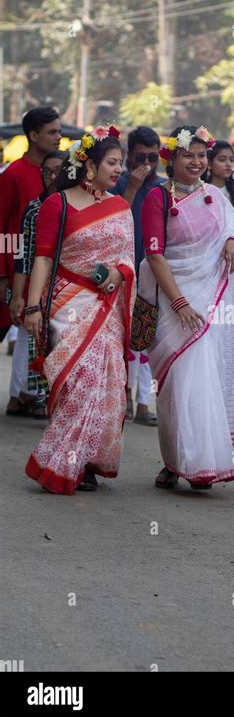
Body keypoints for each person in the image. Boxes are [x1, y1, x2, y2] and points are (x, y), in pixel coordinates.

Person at [139, 124, 234, 490]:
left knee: (206, 378)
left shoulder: (215, 196)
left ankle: (203, 462)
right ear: (171, 158)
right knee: (176, 385)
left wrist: (233, 244)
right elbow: (154, 255)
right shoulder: (157, 198)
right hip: (174, 300)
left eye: (201, 155)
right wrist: (179, 304)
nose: (196, 162)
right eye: (187, 155)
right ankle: (175, 461)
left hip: (211, 301)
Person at [23, 125, 135, 495]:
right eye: (112, 163)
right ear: (89, 165)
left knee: (106, 385)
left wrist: (120, 273)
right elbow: (42, 259)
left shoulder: (121, 207)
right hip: (67, 302)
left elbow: (129, 260)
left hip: (107, 308)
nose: (119, 170)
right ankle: (61, 461)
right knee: (76, 382)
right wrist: (32, 307)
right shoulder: (59, 203)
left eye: (121, 163)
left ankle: (85, 460)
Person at [0, 106, 61, 404]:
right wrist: (3, 274)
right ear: (33, 135)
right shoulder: (13, 174)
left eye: (59, 131)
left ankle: (24, 397)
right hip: (16, 270)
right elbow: (4, 228)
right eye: (52, 132)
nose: (58, 137)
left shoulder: (63, 176)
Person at [110, 125, 165, 426]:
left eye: (153, 157)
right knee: (122, 341)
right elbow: (115, 221)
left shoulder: (164, 187)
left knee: (146, 340)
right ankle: (124, 401)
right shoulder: (117, 184)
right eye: (141, 156)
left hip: (153, 274)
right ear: (129, 155)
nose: (147, 163)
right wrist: (130, 187)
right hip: (121, 273)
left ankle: (144, 403)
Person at [8, 151, 65, 417]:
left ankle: (41, 396)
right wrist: (17, 293)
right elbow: (22, 253)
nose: (52, 177)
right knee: (30, 339)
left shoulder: (72, 204)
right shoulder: (32, 206)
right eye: (47, 172)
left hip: (66, 287)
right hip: (35, 285)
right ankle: (26, 395)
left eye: (58, 171)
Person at [206, 140, 234, 226]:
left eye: (231, 160)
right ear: (209, 163)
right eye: (222, 160)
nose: (229, 164)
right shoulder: (203, 191)